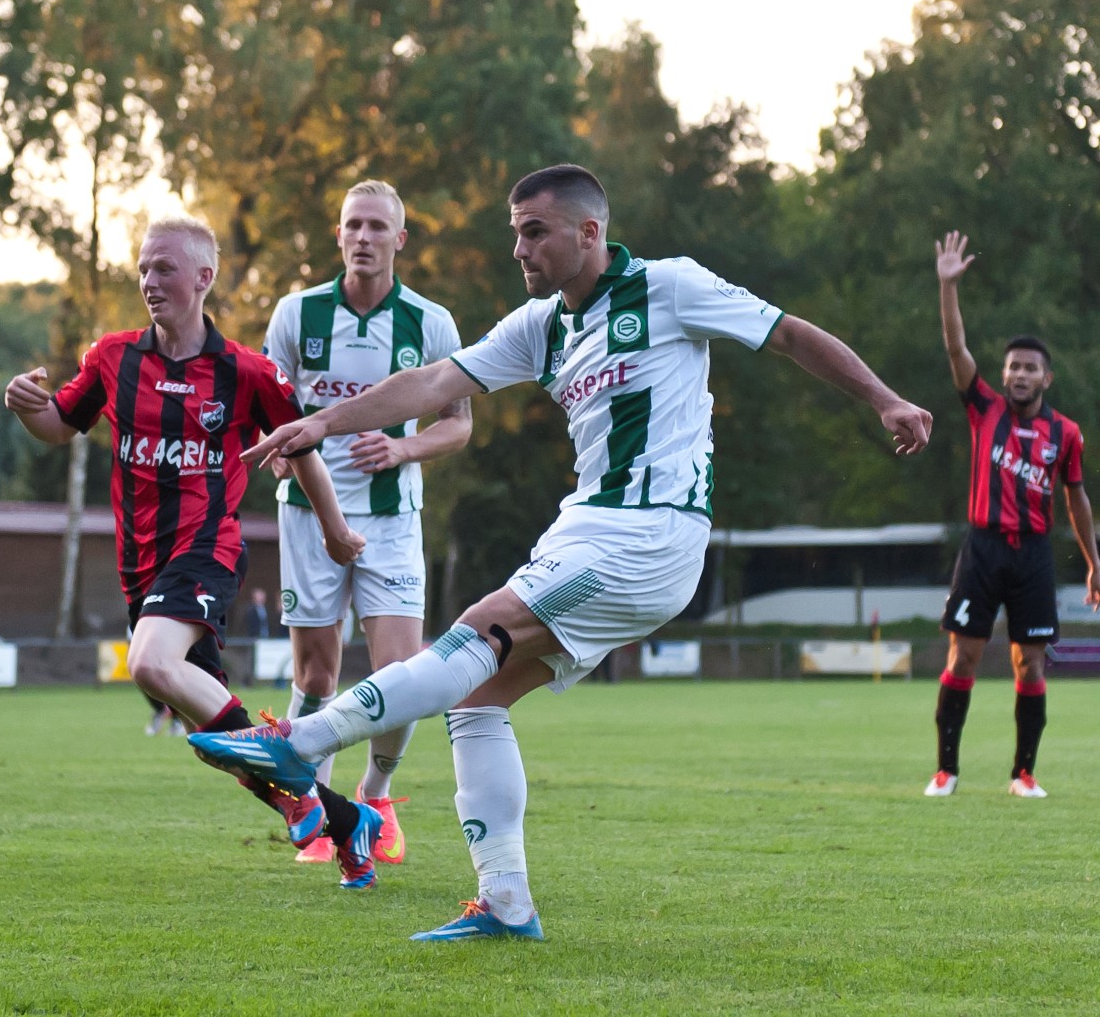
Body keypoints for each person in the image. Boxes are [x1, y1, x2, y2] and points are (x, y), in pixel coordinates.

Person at [191, 164, 932, 940]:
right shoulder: (541, 325)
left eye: (533, 231)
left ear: (589, 232)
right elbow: (433, 381)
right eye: (515, 231)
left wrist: (884, 398)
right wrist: (320, 425)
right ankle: (505, 904)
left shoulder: (668, 286)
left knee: (477, 629)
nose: (518, 248)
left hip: (650, 533)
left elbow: (788, 334)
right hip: (588, 529)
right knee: (477, 703)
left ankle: (297, 745)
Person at [5, 215, 389, 888]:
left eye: (165, 269)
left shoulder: (246, 372)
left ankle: (297, 780)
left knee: (151, 665)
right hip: (140, 569)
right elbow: (57, 427)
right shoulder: (111, 359)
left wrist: (332, 530)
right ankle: (344, 819)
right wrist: (23, 405)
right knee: (220, 744)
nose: (149, 281)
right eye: (145, 268)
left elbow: (301, 453)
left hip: (207, 548)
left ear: (203, 279)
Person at [262, 178, 471, 866]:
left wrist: (404, 446)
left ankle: (375, 797)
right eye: (353, 225)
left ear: (399, 240)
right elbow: (274, 412)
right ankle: (317, 810)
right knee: (317, 674)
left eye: (378, 227)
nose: (363, 237)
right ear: (338, 236)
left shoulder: (430, 324)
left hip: (392, 519)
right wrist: (283, 456)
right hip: (306, 517)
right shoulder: (295, 315)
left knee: (403, 677)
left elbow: (457, 425)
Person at [924, 232, 1099, 800]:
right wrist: (948, 286)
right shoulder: (983, 409)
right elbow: (956, 350)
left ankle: (1024, 773)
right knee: (965, 655)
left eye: (1030, 368)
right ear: (1003, 375)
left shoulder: (1065, 433)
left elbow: (1075, 498)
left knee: (1030, 667)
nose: (1020, 375)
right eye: (1013, 367)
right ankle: (945, 770)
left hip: (1033, 555)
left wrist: (1094, 563)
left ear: (1047, 378)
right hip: (982, 548)